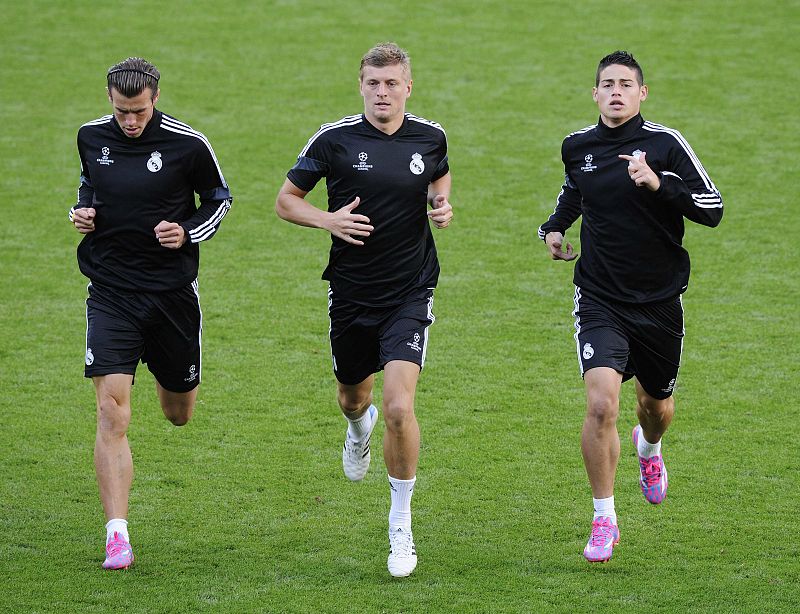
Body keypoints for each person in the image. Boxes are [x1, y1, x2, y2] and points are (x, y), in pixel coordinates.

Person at [537, 50, 723, 563]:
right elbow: (575, 191)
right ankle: (604, 518)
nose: (615, 91)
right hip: (599, 295)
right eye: (606, 84)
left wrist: (659, 184)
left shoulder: (665, 145)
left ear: (642, 94)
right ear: (594, 94)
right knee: (600, 405)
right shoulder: (577, 146)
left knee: (656, 407)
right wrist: (554, 229)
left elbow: (713, 208)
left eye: (625, 84)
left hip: (659, 300)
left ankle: (649, 448)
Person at [275, 42, 452, 578]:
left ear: (408, 86)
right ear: (361, 86)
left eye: (392, 83)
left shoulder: (431, 136)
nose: (382, 92)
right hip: (351, 291)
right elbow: (286, 201)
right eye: (373, 83)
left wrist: (440, 203)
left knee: (401, 408)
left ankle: (401, 524)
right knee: (354, 397)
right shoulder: (334, 141)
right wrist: (327, 221)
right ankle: (357, 428)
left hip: (411, 290)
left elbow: (438, 174)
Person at [70, 57, 232, 570]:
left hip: (172, 296)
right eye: (121, 112)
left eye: (138, 111)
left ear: (155, 98)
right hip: (112, 293)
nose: (130, 121)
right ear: (109, 100)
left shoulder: (188, 144)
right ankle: (117, 533)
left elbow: (219, 200)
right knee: (112, 413)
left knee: (177, 412)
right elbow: (88, 184)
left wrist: (188, 232)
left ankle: (177, 388)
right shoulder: (91, 137)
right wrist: (82, 212)